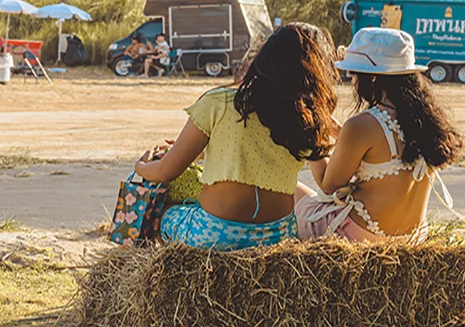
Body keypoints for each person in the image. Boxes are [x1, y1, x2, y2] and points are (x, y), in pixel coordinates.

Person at [133, 24, 336, 249]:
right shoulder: (308, 119)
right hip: (279, 236)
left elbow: (165, 172)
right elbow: (326, 182)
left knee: (162, 212)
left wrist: (141, 167)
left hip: (215, 235)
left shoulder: (219, 102)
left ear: (264, 59)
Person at [295, 27, 463, 243]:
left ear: (372, 77)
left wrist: (312, 137)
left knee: (291, 191)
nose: (353, 82)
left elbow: (328, 186)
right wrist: (341, 135)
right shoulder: (427, 121)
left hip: (360, 237)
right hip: (412, 238)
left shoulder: (361, 126)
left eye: (354, 74)